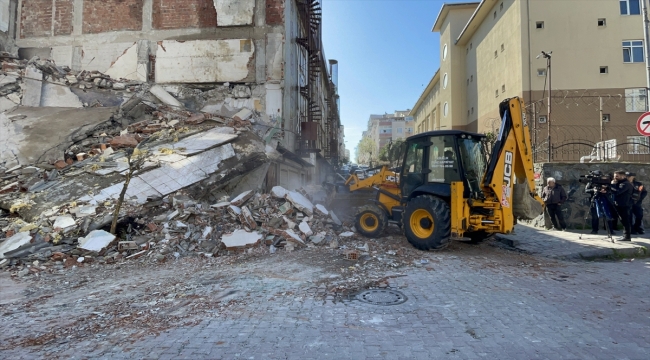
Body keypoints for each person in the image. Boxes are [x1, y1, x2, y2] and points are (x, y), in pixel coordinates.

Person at [607, 170, 634, 241]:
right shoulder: (620, 183)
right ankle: (626, 236)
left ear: (623, 176)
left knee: (625, 221)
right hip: (620, 204)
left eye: (617, 176)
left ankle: (627, 236)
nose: (615, 177)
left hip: (624, 205)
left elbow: (617, 192)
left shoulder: (625, 184)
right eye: (614, 176)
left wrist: (612, 185)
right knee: (623, 220)